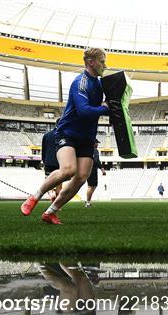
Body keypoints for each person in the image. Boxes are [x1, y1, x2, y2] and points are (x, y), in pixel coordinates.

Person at [20, 47, 110, 225]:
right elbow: (84, 111)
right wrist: (105, 108)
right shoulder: (80, 82)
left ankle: (50, 212)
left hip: (87, 136)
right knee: (68, 170)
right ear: (91, 62)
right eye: (102, 61)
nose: (105, 65)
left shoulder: (99, 84)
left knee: (82, 177)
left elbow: (103, 105)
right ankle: (34, 196)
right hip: (67, 132)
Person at [85, 142, 106, 208]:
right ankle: (88, 202)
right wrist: (101, 169)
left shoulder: (88, 149)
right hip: (92, 169)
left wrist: (101, 168)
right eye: (97, 143)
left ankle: (88, 201)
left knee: (92, 186)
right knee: (91, 186)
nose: (97, 144)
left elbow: (97, 160)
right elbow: (96, 160)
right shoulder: (94, 150)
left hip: (89, 168)